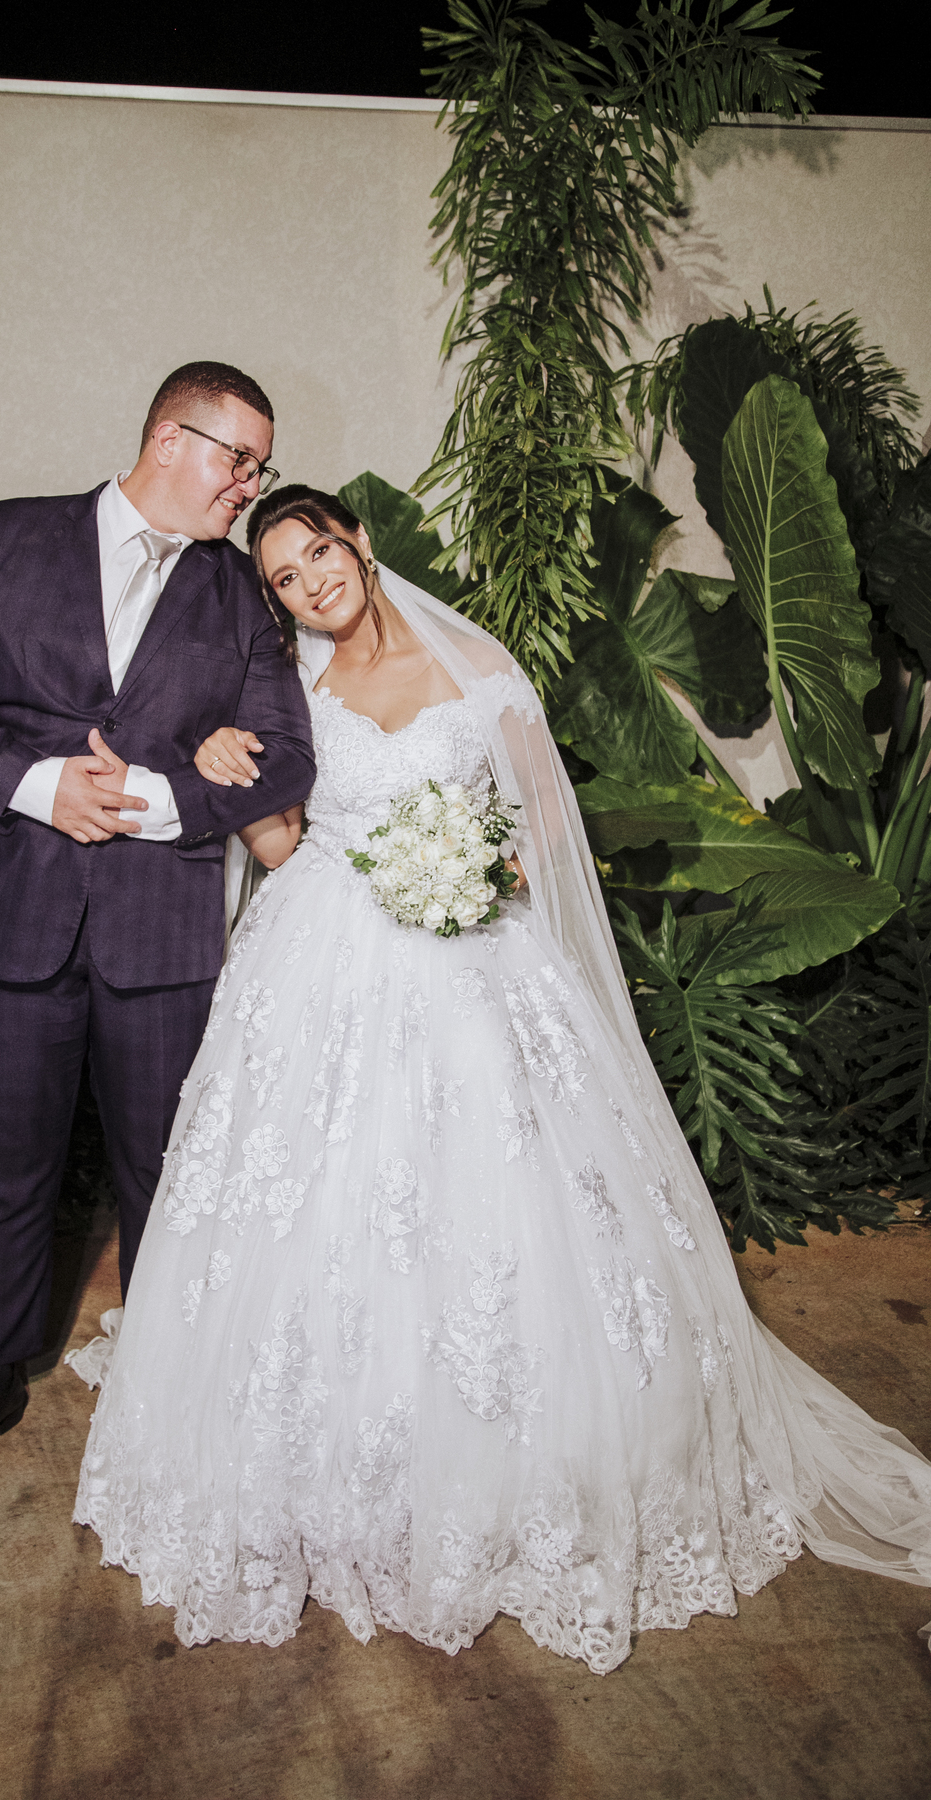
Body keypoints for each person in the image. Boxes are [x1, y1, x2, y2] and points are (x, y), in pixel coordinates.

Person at [70, 485, 931, 1671]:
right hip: (320, 954)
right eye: (285, 579)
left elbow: (542, 827)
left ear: (359, 541)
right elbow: (282, 842)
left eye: (320, 552)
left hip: (470, 953)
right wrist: (229, 768)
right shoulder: (285, 685)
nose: (313, 583)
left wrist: (480, 870)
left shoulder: (478, 666)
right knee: (307, 1196)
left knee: (500, 1189)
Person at [0, 366, 316, 1494]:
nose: (251, 486)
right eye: (239, 460)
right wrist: (35, 785)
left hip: (162, 929)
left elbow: (290, 752)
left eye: (260, 467)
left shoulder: (243, 593)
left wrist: (164, 801)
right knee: (13, 1164)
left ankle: (165, 1389)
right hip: (15, 912)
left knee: (163, 1172)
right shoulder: (7, 536)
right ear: (170, 439)